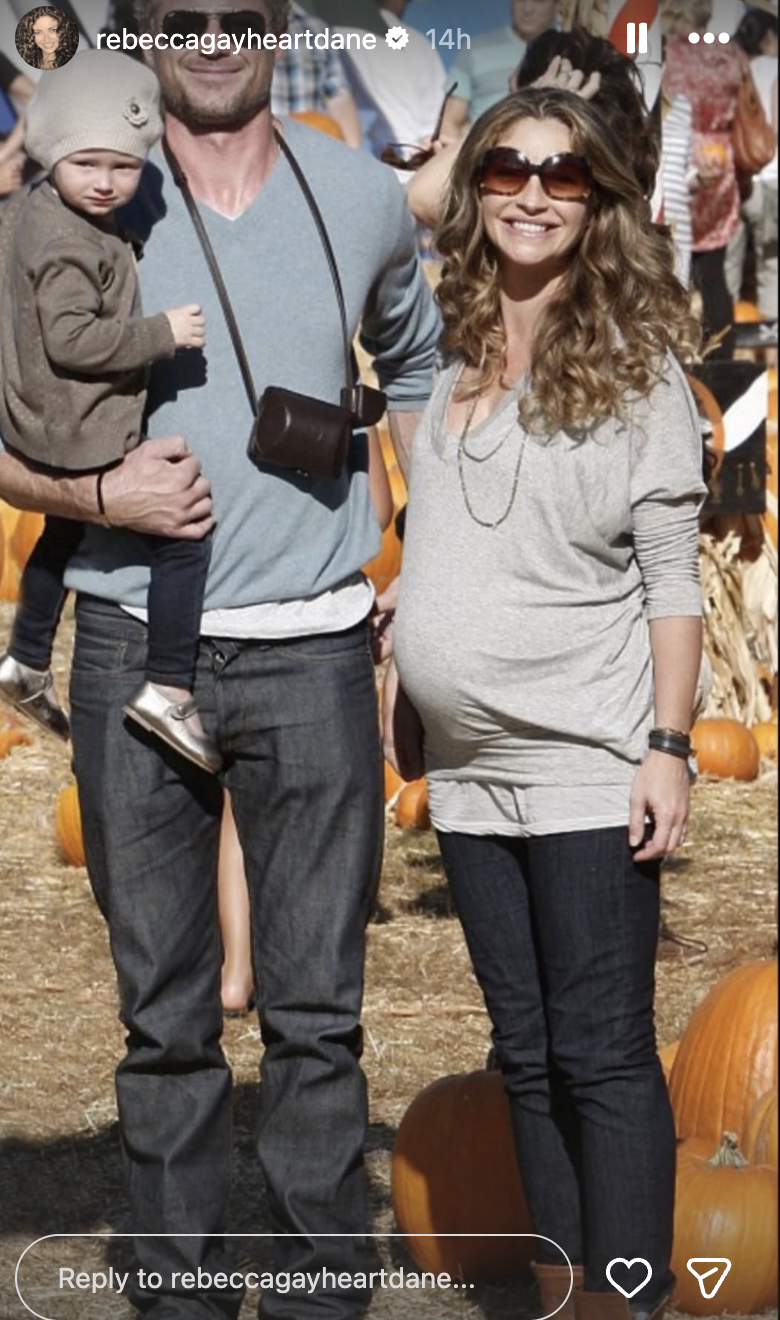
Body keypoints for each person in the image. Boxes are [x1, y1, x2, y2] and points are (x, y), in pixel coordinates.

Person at [0, 3, 438, 1318]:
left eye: (235, 13)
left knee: (316, 1021)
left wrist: (431, 567)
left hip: (314, 652)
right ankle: (180, 1295)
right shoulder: (78, 197)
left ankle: (315, 1295)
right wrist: (93, 502)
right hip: (137, 646)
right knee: (168, 1025)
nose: (207, 37)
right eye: (174, 15)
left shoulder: (360, 196)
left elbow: (418, 367)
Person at [385, 86, 705, 1320]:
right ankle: (570, 1292)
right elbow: (441, 539)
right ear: (476, 191)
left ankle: (631, 1299)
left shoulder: (637, 371)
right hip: (468, 772)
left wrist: (670, 746)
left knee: (605, 1054)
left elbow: (673, 580)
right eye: (505, 168)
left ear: (599, 201)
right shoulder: (457, 348)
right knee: (523, 1054)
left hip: (586, 757)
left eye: (562, 175)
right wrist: (409, 668)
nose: (530, 191)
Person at [0, 51, 220, 773]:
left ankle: (26, 656)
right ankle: (168, 686)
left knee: (62, 532)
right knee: (182, 533)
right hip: (76, 419)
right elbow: (70, 338)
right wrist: (164, 333)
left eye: (123, 167)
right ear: (52, 151)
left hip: (39, 418)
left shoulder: (32, 208)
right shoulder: (69, 241)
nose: (105, 183)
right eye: (87, 164)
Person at [663, 0, 745, 357]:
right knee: (714, 275)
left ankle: (676, 352)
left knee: (672, 270)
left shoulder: (668, 54)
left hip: (676, 163)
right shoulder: (728, 53)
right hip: (720, 164)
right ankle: (722, 355)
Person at [440, 0, 558, 138]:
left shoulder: (572, 51)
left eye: (539, 1)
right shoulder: (475, 49)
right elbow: (450, 122)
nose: (528, 9)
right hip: (484, 152)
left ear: (558, 4)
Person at [726, 6, 778, 318]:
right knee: (771, 266)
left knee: (727, 266)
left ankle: (725, 340)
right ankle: (772, 352)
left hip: (734, 179)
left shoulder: (733, 68)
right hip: (772, 179)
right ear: (770, 36)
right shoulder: (776, 69)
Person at [271, 1, 362, 148]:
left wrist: (353, 157)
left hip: (310, 149)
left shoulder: (316, 29)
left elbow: (339, 97)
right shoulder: (228, 29)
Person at [14, 5, 79, 70]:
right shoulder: (30, 64)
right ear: (31, 36)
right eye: (38, 32)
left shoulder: (75, 60)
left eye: (52, 30)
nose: (46, 39)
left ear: (62, 31)